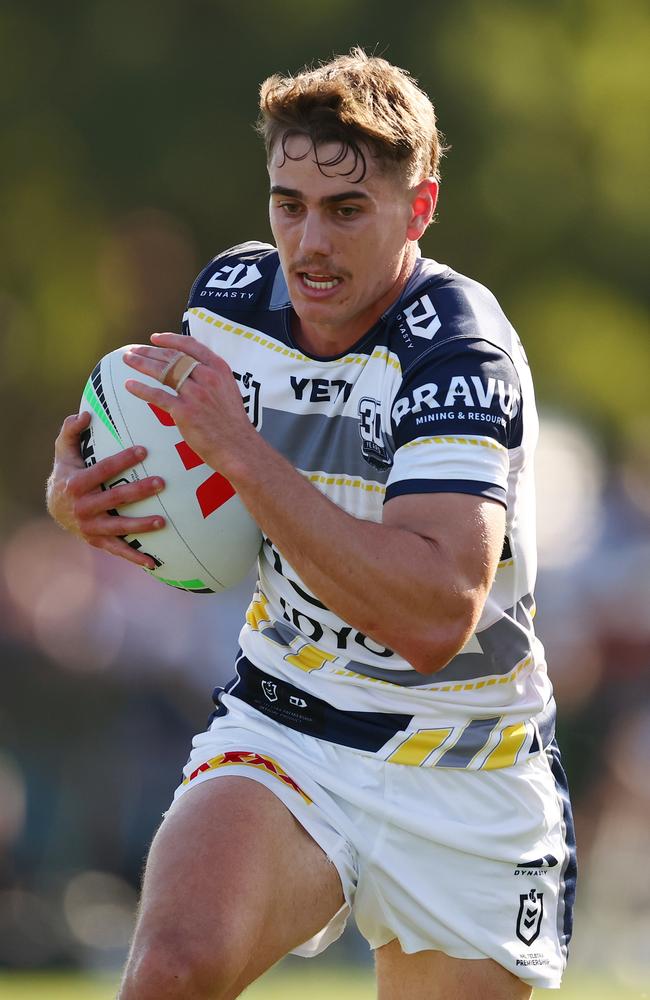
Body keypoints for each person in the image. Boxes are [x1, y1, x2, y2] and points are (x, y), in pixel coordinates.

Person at [47, 48, 576, 999]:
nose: (309, 246)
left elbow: (433, 616)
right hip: (289, 723)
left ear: (418, 209)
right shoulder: (231, 305)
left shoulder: (459, 352)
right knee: (171, 969)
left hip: (465, 762)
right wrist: (86, 496)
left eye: (345, 210)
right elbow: (190, 502)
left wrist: (246, 454)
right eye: (288, 205)